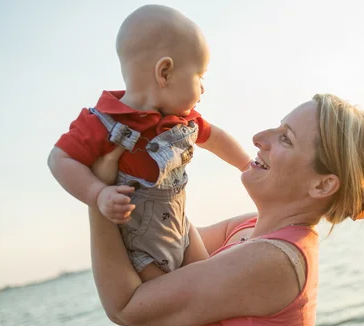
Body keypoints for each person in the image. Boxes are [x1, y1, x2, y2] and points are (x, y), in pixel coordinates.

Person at [88, 94, 364, 326]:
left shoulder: (274, 261)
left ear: (323, 184)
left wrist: (97, 194)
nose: (258, 139)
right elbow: (156, 248)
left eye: (285, 139)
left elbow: (127, 305)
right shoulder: (247, 229)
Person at [47, 4, 251, 282]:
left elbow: (215, 138)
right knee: (167, 305)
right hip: (143, 249)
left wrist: (246, 165)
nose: (203, 87)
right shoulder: (103, 122)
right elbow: (59, 159)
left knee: (209, 283)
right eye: (199, 76)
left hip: (183, 231)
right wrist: (97, 194)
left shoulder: (183, 119)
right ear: (164, 73)